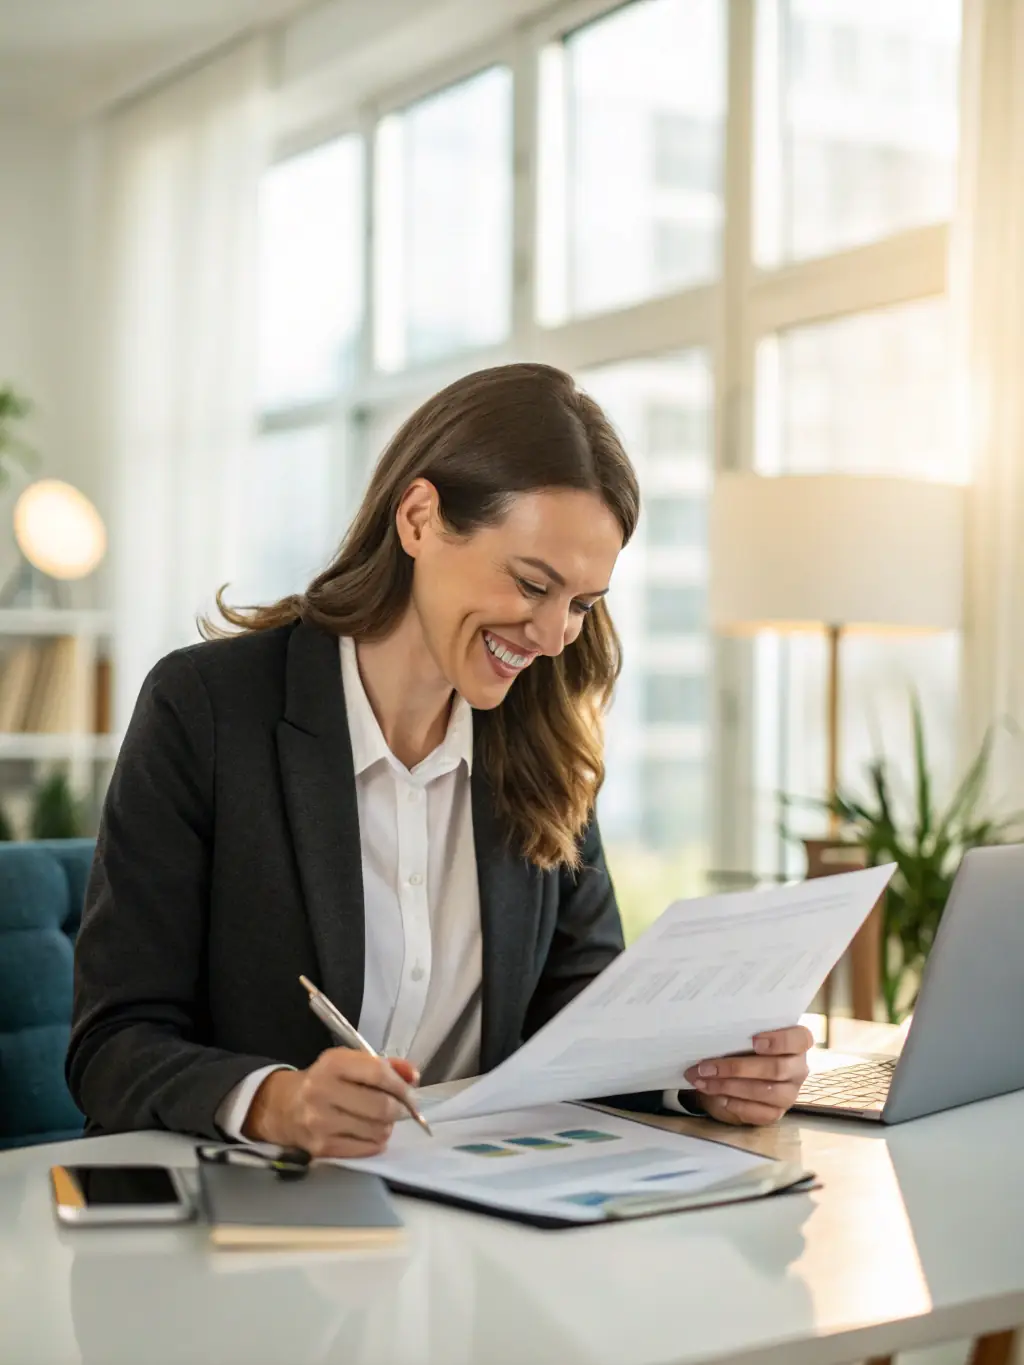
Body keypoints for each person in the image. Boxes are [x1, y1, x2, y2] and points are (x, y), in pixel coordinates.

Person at [67, 363, 811, 1158]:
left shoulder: (545, 740)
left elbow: (585, 1021)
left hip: (478, 1217)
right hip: (258, 1211)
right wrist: (278, 1103)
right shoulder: (208, 709)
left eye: (583, 605)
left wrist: (703, 1076)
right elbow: (114, 1042)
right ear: (419, 518)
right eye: (533, 584)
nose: (557, 634)